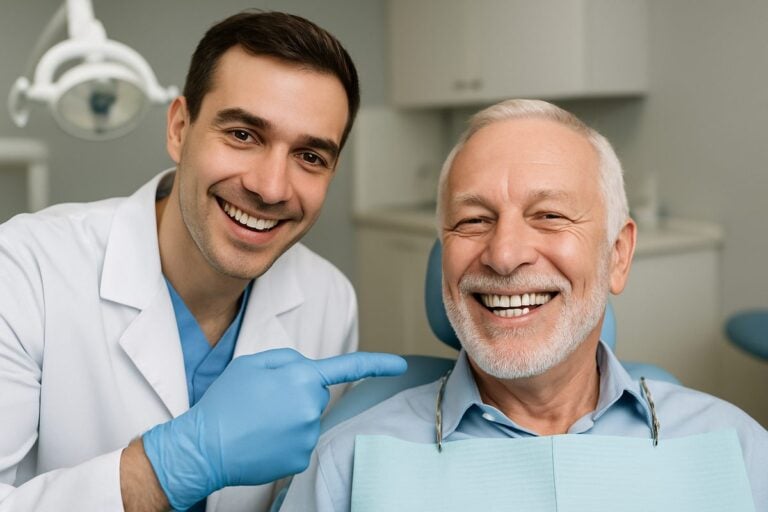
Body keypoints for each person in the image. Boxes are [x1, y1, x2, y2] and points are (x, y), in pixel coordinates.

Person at [0, 11, 406, 512]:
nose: (271, 188)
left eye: (310, 157)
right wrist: (168, 468)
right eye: (243, 135)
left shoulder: (328, 298)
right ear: (179, 128)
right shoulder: (25, 269)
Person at [279, 99, 768, 511]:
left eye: (549, 215)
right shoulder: (346, 467)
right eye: (473, 220)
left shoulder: (738, 451)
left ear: (618, 255)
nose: (505, 254)